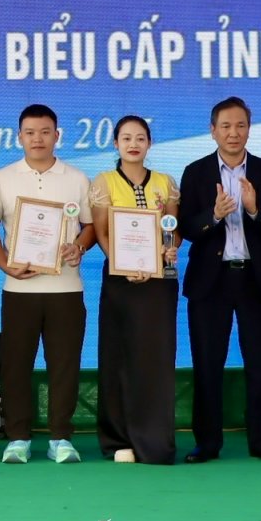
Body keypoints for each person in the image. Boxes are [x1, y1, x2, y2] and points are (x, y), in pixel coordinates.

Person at [176, 96, 261, 462]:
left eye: (240, 125)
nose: (233, 133)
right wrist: (213, 215)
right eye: (225, 126)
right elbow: (184, 227)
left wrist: (255, 210)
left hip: (255, 280)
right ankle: (207, 443)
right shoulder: (195, 172)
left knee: (260, 364)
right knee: (207, 364)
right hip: (211, 281)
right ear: (213, 131)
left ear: (249, 129)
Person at [0, 104, 96, 465]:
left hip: (66, 289)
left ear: (57, 135)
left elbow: (91, 227)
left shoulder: (77, 178)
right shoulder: (2, 178)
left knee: (64, 366)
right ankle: (18, 438)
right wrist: (6, 264)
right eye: (30, 132)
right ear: (19, 137)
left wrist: (79, 247)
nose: (38, 139)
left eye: (45, 132)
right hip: (19, 290)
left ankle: (60, 438)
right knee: (15, 365)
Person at [91, 114, 180, 465]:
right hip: (120, 281)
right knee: (119, 357)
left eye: (140, 138)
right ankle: (118, 440)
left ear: (149, 143)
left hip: (159, 282)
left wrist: (167, 252)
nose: (133, 144)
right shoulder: (104, 182)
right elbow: (102, 233)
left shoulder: (165, 183)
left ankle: (155, 440)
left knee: (156, 359)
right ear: (115, 143)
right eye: (126, 138)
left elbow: (173, 230)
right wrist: (124, 264)